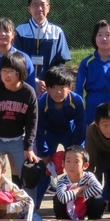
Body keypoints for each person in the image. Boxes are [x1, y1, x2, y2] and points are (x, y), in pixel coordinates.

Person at [0, 52, 41, 221]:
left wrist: (28, 148)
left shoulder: (28, 92)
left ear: (20, 72)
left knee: (30, 172)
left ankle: (29, 211)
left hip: (18, 139)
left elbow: (32, 121)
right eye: (4, 71)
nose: (7, 75)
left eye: (11, 71)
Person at [35, 66, 85, 208]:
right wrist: (44, 154)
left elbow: (81, 128)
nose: (57, 92)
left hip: (69, 132)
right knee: (46, 169)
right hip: (50, 133)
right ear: (47, 88)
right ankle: (35, 206)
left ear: (69, 87)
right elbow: (40, 131)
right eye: (53, 87)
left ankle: (76, 202)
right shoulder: (42, 102)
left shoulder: (77, 101)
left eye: (62, 87)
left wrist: (75, 150)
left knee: (75, 166)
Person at [75, 19, 110, 127]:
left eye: (108, 35)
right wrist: (81, 113)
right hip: (92, 104)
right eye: (100, 35)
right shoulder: (86, 63)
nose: (104, 38)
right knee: (93, 137)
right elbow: (79, 90)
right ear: (94, 37)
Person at [14, 0, 71, 95]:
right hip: (24, 87)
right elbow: (16, 62)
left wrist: (46, 83)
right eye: (35, 5)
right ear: (29, 8)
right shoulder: (20, 31)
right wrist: (33, 82)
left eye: (43, 5)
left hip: (49, 89)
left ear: (48, 8)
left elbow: (60, 63)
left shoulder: (57, 32)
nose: (39, 8)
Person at [53, 145, 106, 220]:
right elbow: (63, 198)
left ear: (85, 165)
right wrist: (81, 188)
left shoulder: (88, 176)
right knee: (57, 199)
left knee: (98, 199)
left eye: (76, 162)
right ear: (63, 164)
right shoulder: (62, 180)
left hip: (86, 208)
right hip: (67, 212)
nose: (71, 165)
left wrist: (72, 194)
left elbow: (99, 189)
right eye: (68, 161)